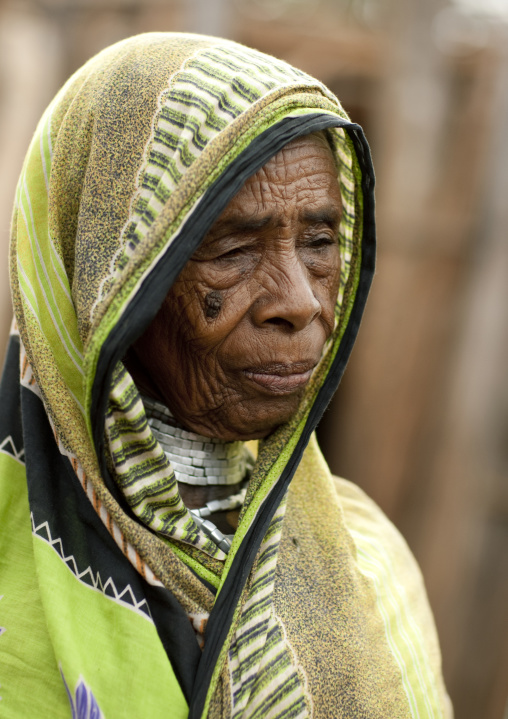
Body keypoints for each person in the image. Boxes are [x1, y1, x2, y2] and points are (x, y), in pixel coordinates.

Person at [0, 33, 452, 718]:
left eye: (321, 243)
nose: (300, 301)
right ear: (106, 279)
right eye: (235, 248)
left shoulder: (371, 567)